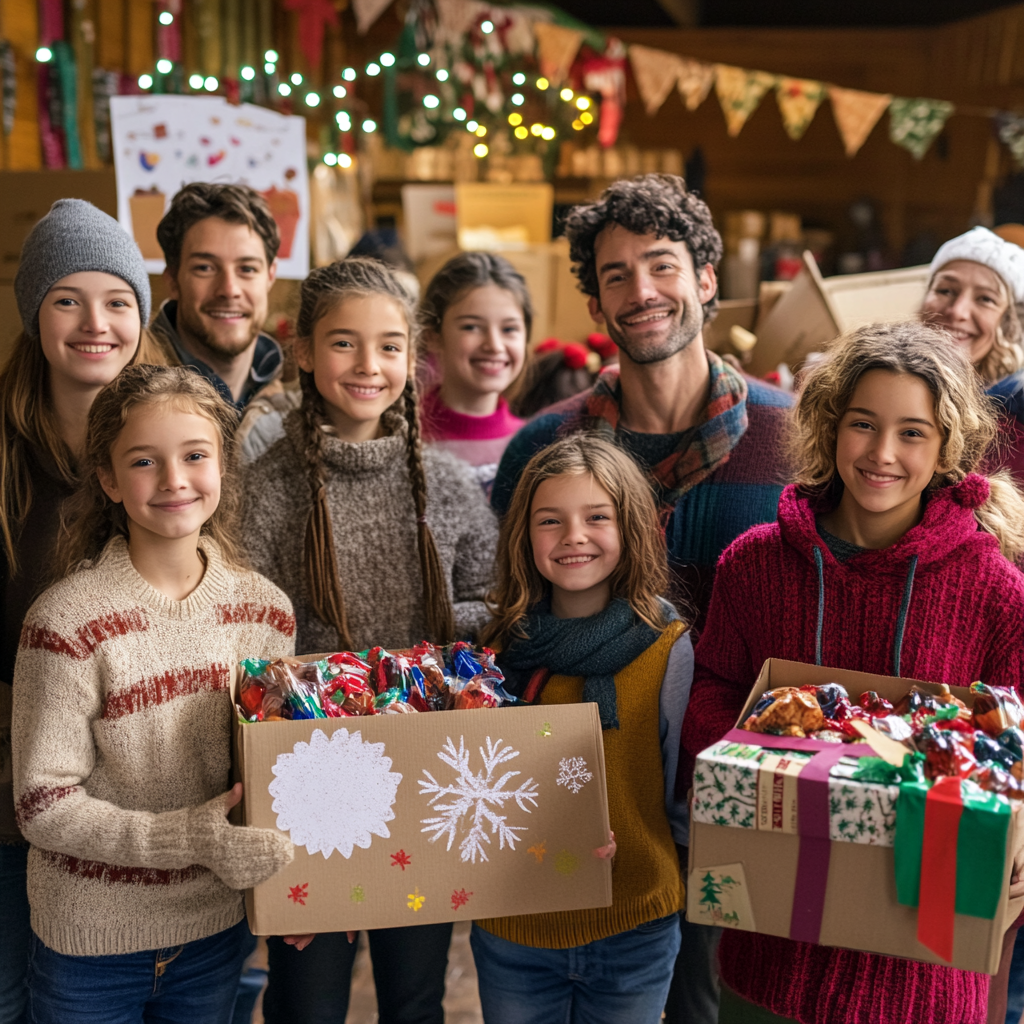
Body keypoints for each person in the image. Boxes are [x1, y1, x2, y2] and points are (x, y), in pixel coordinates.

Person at [489, 173, 792, 1023]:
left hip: (748, 789)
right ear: (595, 304)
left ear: (706, 279)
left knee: (712, 1006)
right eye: (614, 275)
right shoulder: (547, 448)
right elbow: (511, 619)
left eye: (661, 265)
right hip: (604, 802)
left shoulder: (795, 436)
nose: (641, 291)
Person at [680, 320, 1024, 1024]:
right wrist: (759, 768)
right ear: (830, 426)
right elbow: (713, 689)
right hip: (770, 951)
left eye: (912, 433)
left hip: (920, 973)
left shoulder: (996, 593)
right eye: (863, 424)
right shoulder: (754, 565)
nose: (882, 454)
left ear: (947, 447)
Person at [241, 256, 499, 1024]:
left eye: (389, 347)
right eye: (344, 344)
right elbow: (248, 645)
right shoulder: (265, 491)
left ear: (412, 360)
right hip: (309, 777)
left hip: (423, 773)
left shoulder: (445, 485)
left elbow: (491, 611)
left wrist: (417, 657)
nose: (368, 365)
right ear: (307, 353)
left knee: (416, 997)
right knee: (306, 1001)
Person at [11, 364, 296, 1024]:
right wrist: (186, 837)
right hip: (90, 946)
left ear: (222, 464)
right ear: (109, 480)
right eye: (144, 461)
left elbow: (277, 778)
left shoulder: (266, 613)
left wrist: (295, 893)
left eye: (195, 456)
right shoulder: (66, 622)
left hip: (217, 935)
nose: (173, 480)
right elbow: (42, 805)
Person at [473, 434, 691, 1024]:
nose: (574, 536)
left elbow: (677, 793)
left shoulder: (667, 649)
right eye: (551, 521)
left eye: (597, 517)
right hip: (514, 927)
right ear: (524, 536)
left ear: (633, 530)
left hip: (636, 925)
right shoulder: (491, 656)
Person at [0, 198, 152, 1024]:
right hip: (6, 797)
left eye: (118, 300)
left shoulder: (173, 442)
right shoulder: (3, 454)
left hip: (142, 802)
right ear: (34, 312)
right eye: (67, 298)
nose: (96, 322)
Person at [150, 182, 286, 417]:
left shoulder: (301, 394)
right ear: (172, 280)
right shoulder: (128, 388)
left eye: (247, 269)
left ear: (270, 276)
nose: (229, 289)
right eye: (205, 268)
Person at [418, 252, 531, 495]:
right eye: (471, 327)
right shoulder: (404, 437)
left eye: (509, 329)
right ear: (433, 337)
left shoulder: (534, 443)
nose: (494, 345)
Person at [920, 225, 1024, 484]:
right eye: (945, 291)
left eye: (985, 299)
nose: (958, 311)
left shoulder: (1014, 411)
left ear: (1010, 322)